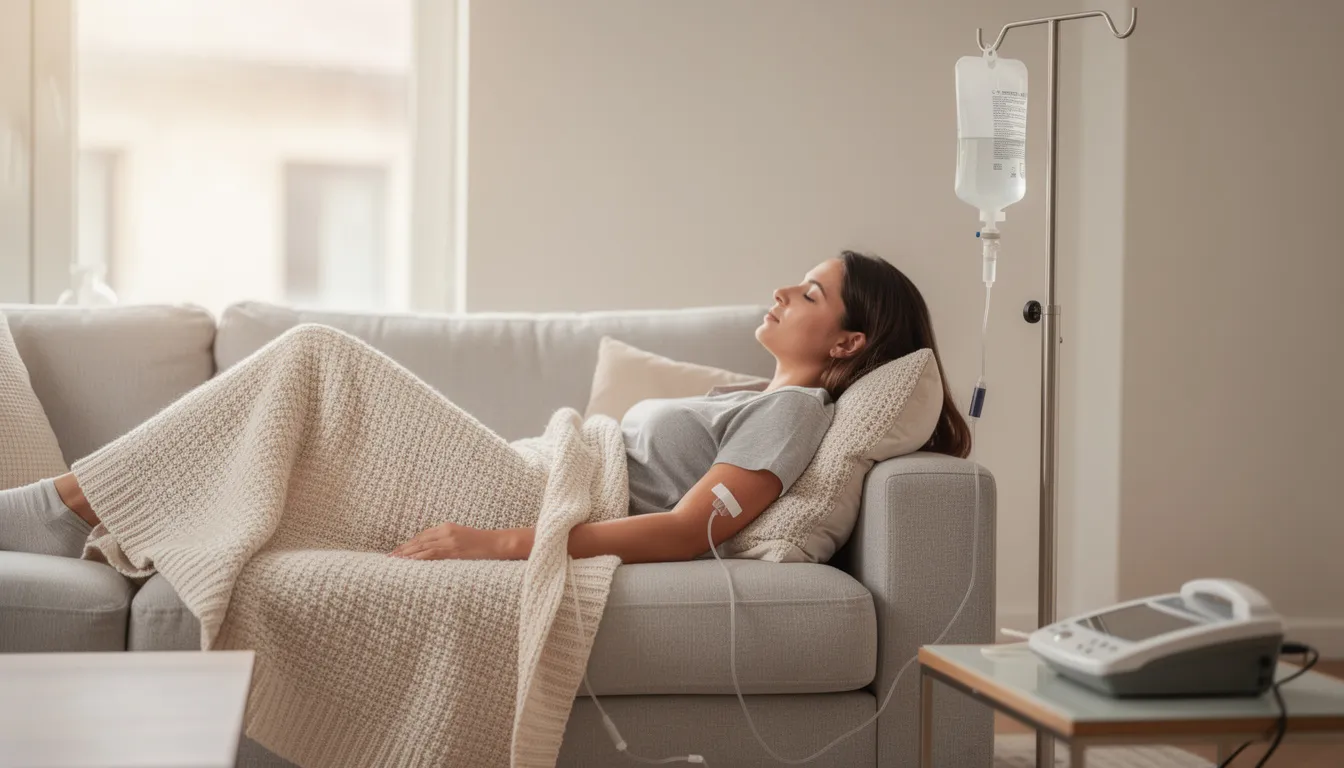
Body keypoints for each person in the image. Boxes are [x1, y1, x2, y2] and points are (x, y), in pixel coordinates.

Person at [1, 251, 970, 565]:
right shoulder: (752, 395)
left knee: (312, 358)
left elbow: (684, 531)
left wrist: (499, 542)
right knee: (301, 409)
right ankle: (83, 513)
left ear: (848, 343)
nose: (782, 295)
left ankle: (58, 509)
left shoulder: (797, 420)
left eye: (810, 294)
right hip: (532, 466)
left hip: (531, 495)